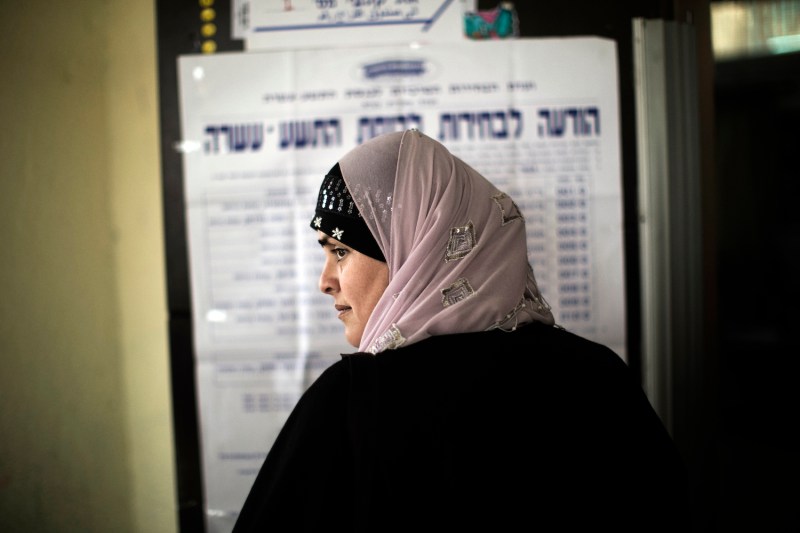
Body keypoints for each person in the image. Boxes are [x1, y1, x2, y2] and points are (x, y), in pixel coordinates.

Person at [232, 129, 689, 532]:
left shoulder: (352, 402)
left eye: (340, 250)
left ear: (411, 249)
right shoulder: (596, 374)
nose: (325, 280)